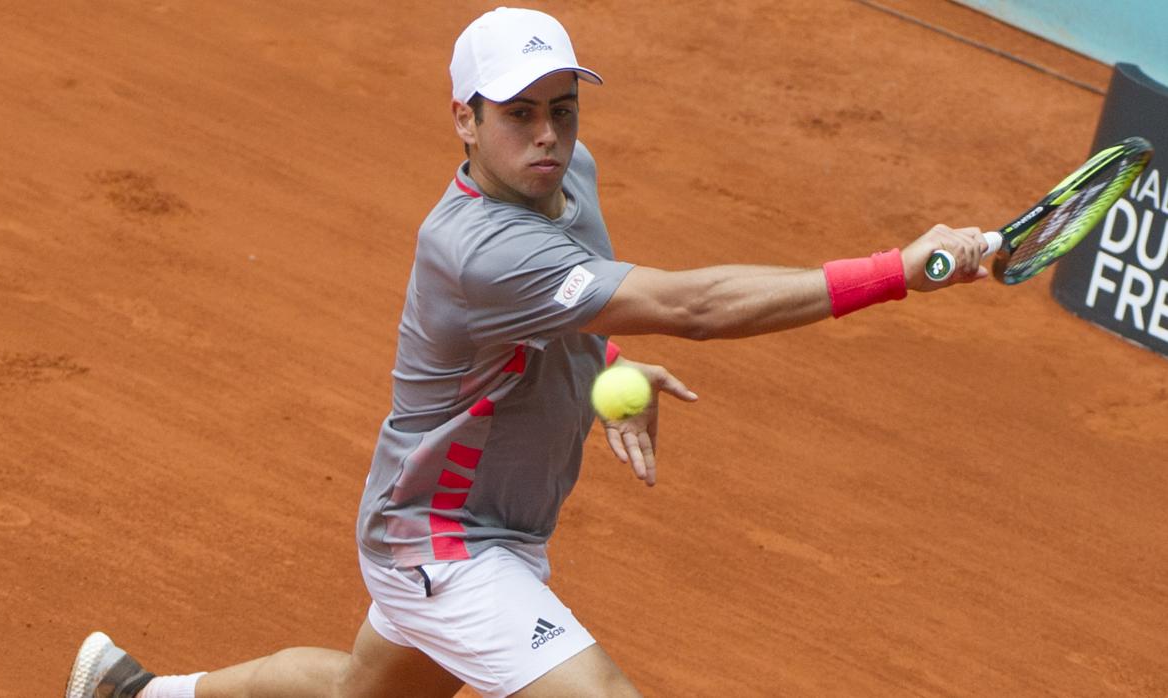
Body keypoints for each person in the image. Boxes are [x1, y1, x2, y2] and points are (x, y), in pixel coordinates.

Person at [65, 7, 988, 698]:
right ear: (464, 119)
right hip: (443, 540)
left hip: (491, 524)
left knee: (357, 691)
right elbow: (692, 307)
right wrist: (894, 272)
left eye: (562, 108)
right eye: (517, 113)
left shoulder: (565, 172)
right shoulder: (477, 248)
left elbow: (579, 304)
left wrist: (607, 363)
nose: (547, 134)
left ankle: (137, 694)